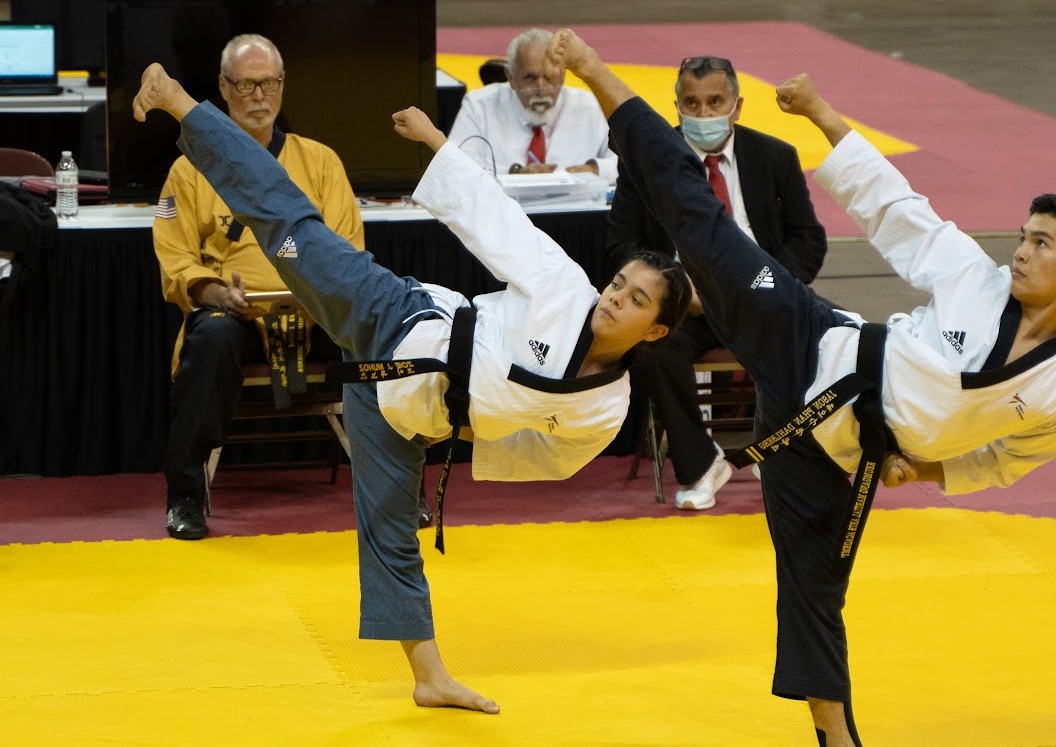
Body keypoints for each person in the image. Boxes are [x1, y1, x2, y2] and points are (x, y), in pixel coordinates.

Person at [547, 29, 1056, 746]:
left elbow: (1009, 460)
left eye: (1041, 243)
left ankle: (834, 735)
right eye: (1025, 235)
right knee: (696, 218)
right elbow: (894, 205)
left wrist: (932, 468)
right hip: (811, 340)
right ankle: (597, 73)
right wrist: (821, 113)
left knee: (815, 583)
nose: (1021, 250)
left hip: (834, 449)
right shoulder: (977, 277)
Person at [132, 61, 690, 713]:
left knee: (390, 532)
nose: (615, 297)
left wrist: (467, 431)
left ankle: (429, 677)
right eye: (620, 283)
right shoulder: (566, 288)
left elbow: (552, 456)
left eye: (635, 300)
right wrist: (436, 142)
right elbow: (500, 222)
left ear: (655, 331)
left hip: (401, 410)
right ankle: (179, 100)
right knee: (291, 223)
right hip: (390, 314)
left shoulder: (603, 407)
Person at [153, 34, 364, 541]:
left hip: (316, 314)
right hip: (236, 314)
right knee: (212, 338)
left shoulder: (320, 163)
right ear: (223, 88)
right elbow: (174, 256)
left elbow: (350, 252)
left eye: (268, 83)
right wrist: (213, 293)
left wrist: (319, 293)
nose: (258, 97)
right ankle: (184, 494)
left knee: (377, 333)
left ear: (282, 86)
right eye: (245, 85)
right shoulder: (189, 170)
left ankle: (400, 490)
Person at [607, 54, 827, 510]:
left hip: (762, 295)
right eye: (692, 104)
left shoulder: (774, 157)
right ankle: (701, 463)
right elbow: (621, 244)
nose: (703, 114)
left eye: (714, 102)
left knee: (820, 334)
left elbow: (807, 239)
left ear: (737, 105)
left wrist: (768, 285)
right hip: (683, 304)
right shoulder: (646, 162)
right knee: (653, 347)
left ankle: (785, 444)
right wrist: (671, 290)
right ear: (677, 106)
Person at [446, 27, 617, 183]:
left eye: (550, 77)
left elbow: (629, 162)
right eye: (530, 78)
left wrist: (594, 169)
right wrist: (514, 175)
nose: (541, 89)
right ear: (511, 77)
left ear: (563, 75)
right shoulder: (479, 106)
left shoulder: (590, 107)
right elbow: (456, 169)